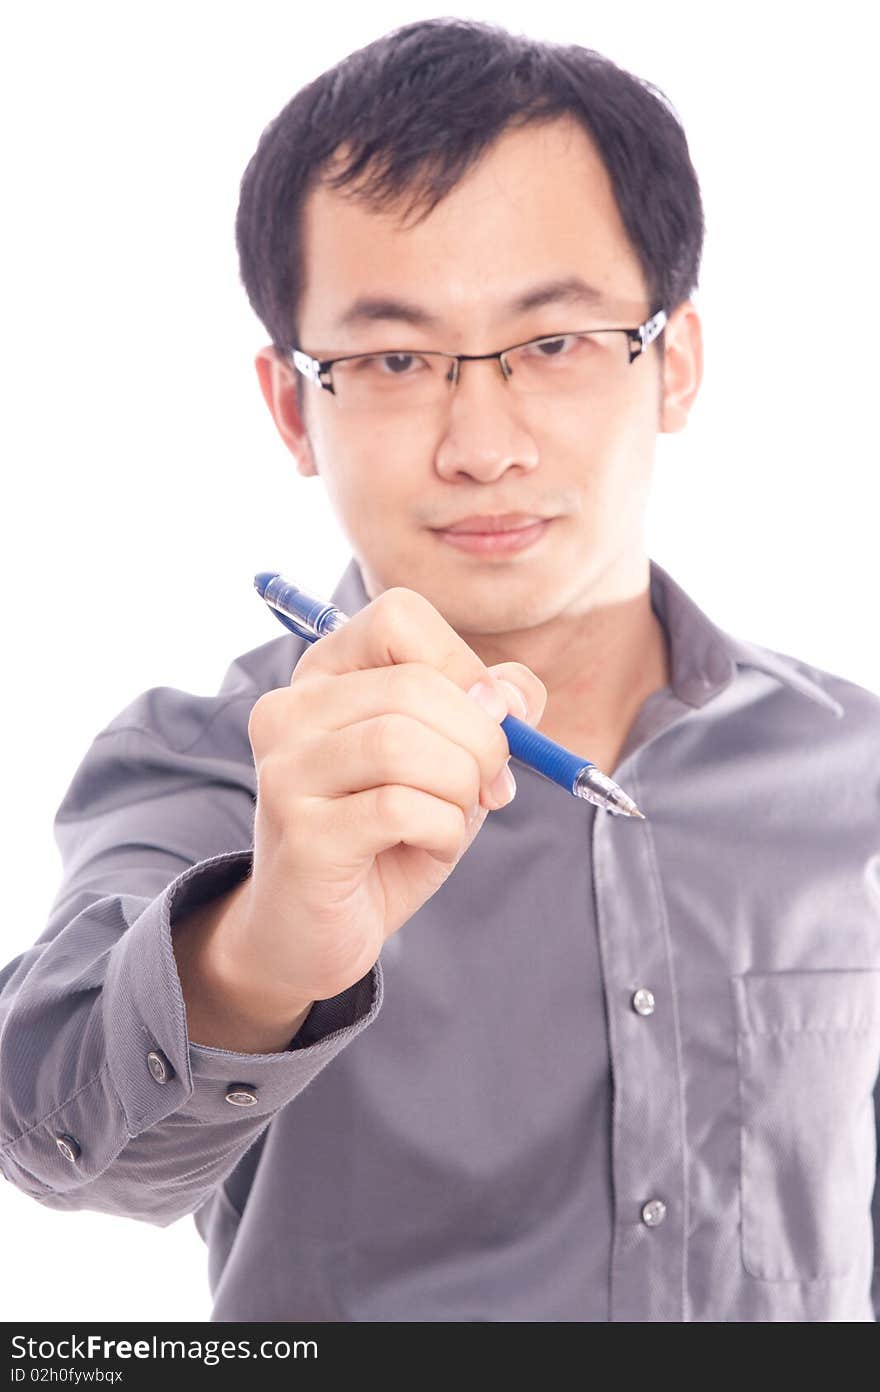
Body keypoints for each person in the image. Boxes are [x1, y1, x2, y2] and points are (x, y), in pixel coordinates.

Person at [1, 17, 878, 1324]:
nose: (481, 444)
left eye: (557, 339)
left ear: (674, 363)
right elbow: (60, 1143)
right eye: (396, 360)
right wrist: (265, 947)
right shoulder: (207, 761)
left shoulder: (854, 769)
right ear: (295, 407)